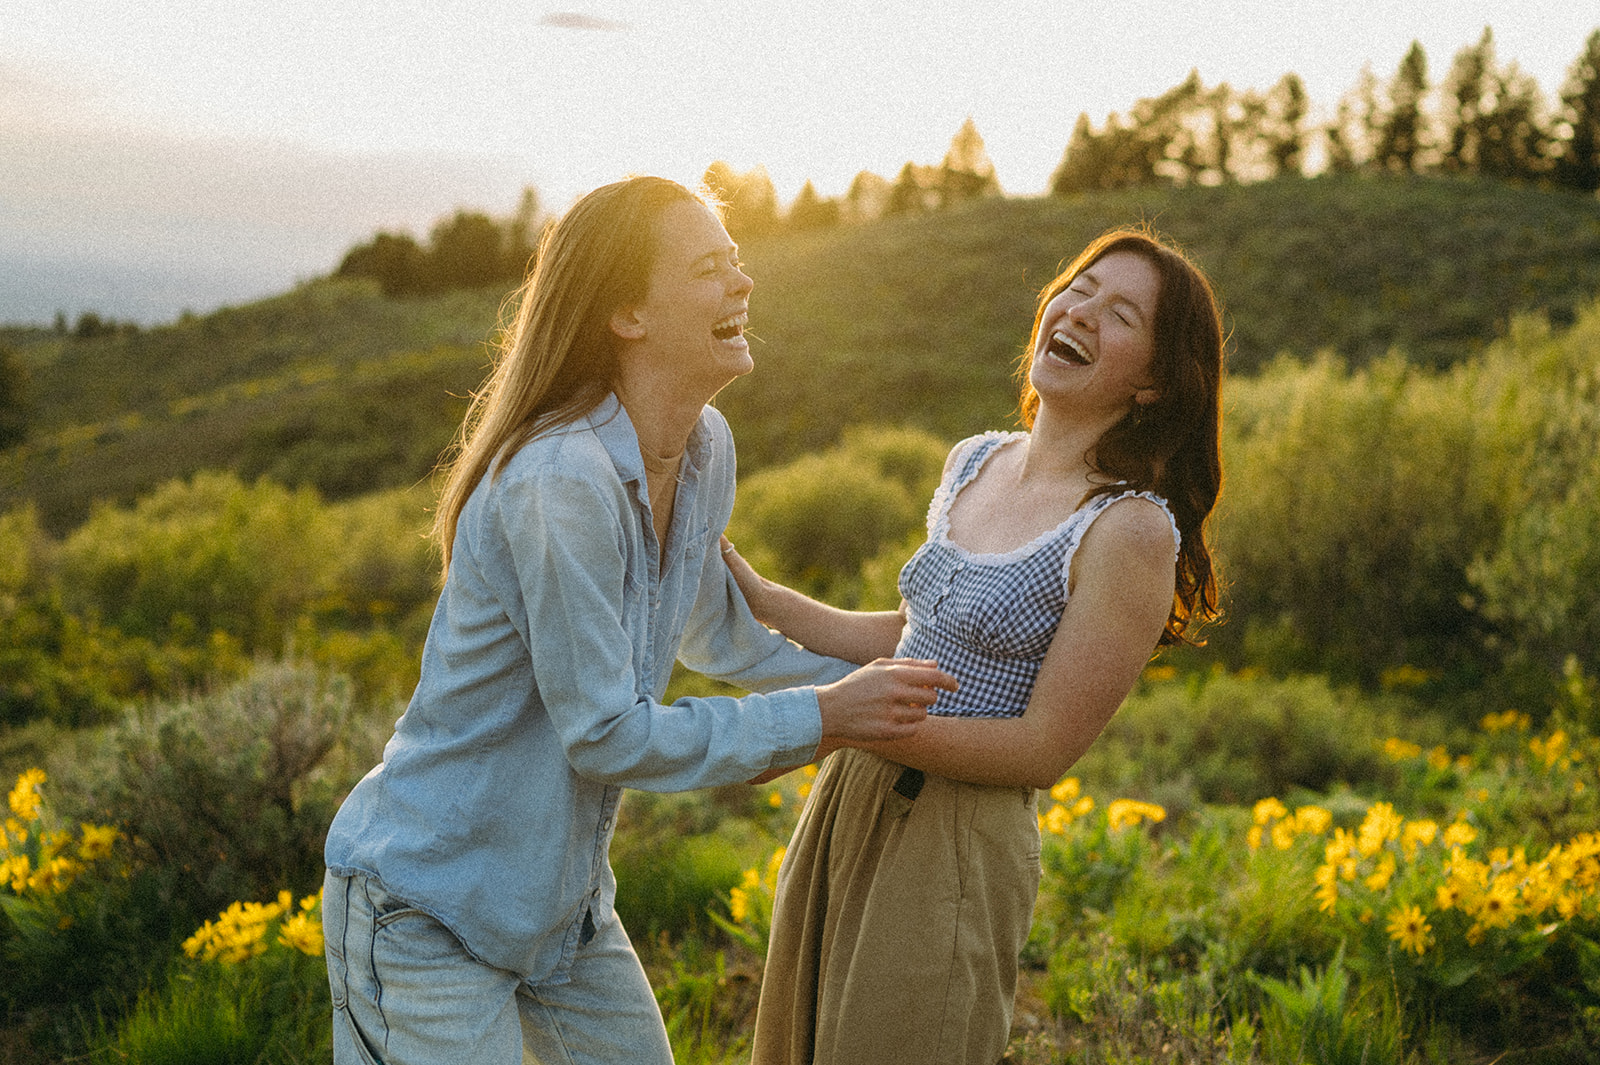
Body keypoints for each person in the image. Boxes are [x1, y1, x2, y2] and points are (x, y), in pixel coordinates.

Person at [320, 176, 956, 1065]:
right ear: (627, 313)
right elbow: (605, 735)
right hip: (429, 908)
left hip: (562, 915)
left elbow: (721, 638)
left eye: (737, 263)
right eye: (708, 269)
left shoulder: (703, 448)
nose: (741, 284)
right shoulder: (560, 479)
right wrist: (830, 716)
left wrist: (903, 696)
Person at [724, 226, 1225, 1065]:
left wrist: (834, 723)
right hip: (852, 797)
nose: (1083, 311)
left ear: (1153, 382)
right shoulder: (974, 460)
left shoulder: (1129, 529)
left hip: (956, 836)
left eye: (1123, 313)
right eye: (1081, 287)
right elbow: (919, 635)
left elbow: (1041, 748)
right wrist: (767, 599)